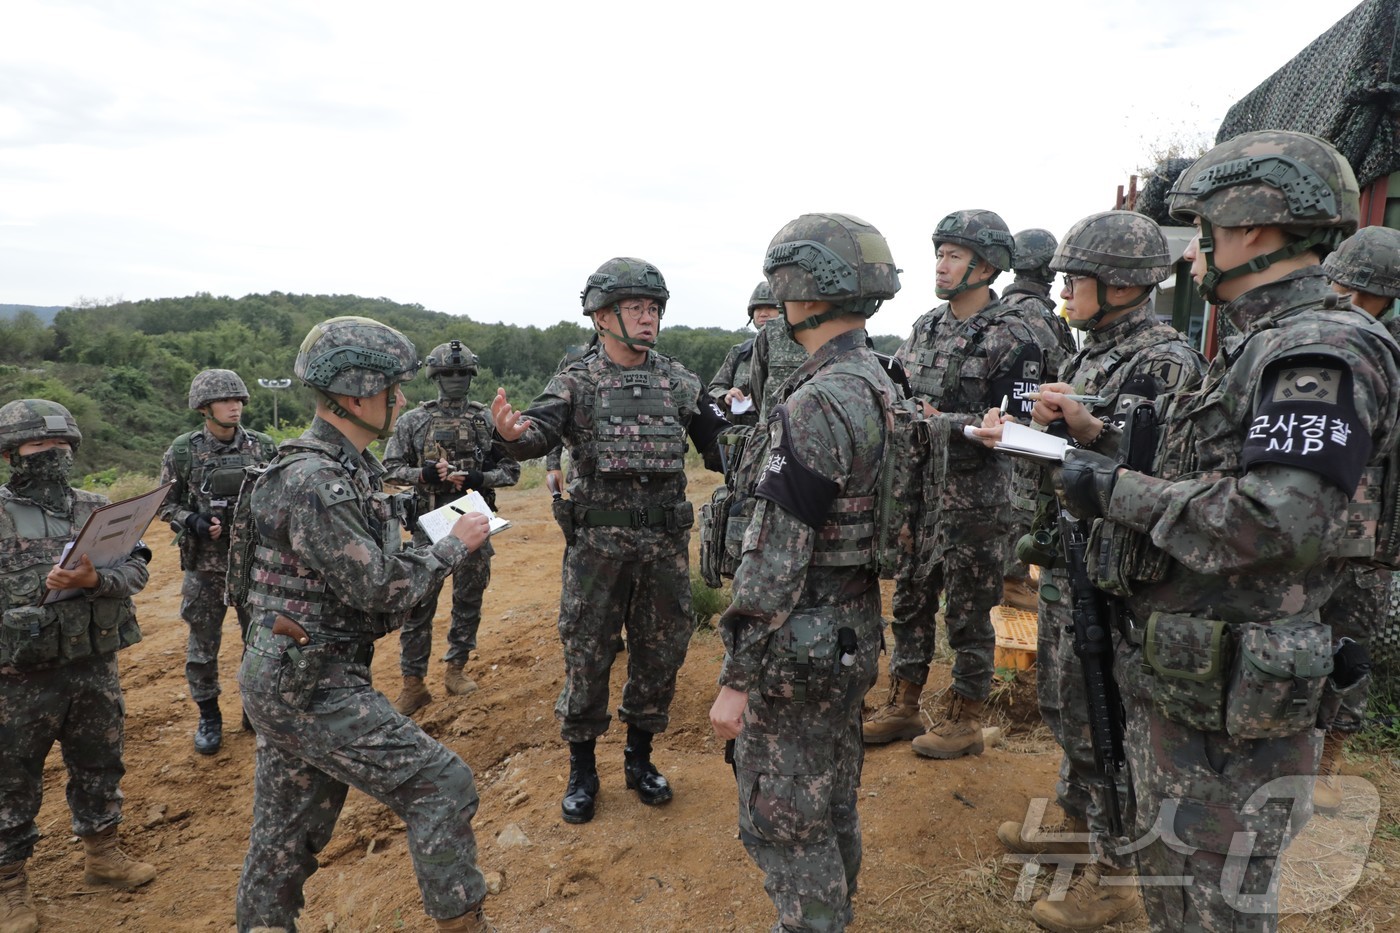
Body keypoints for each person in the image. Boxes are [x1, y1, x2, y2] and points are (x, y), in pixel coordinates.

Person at [1039, 131, 1400, 931]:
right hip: (1195, 682)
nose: (1193, 255)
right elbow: (1205, 467)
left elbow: (1279, 524)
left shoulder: (1322, 350)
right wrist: (1098, 440)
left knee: (1217, 906)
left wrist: (1112, 490)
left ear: (1252, 228)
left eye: (1202, 230)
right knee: (1180, 893)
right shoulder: (1260, 343)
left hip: (1235, 710)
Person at [981, 211, 1206, 931]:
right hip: (1073, 556)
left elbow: (1169, 476)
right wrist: (1021, 434)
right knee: (1064, 702)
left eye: (1076, 279)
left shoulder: (1165, 360)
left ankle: (1116, 873)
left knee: (1105, 717)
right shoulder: (1089, 354)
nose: (1065, 291)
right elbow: (1074, 459)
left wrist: (1086, 431)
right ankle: (1077, 822)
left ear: (1120, 284)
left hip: (1121, 573)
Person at [235, 316, 494, 933]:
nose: (400, 398)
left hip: (291, 675)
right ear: (355, 395)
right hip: (313, 685)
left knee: (283, 841)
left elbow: (364, 541)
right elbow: (383, 590)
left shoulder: (338, 466)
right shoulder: (315, 481)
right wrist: (452, 546)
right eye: (391, 388)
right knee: (441, 784)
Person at [708, 213, 899, 932]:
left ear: (799, 291)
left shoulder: (815, 401)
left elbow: (775, 558)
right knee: (832, 793)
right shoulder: (876, 379)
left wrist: (736, 675)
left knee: (784, 819)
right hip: (852, 626)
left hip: (798, 644)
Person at [490, 257, 728, 825]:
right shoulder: (575, 381)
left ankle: (639, 760)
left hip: (664, 549)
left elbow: (721, 448)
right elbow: (537, 432)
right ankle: (582, 769)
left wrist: (753, 427)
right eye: (636, 309)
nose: (648, 319)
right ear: (601, 317)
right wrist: (512, 437)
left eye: (654, 309)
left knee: (660, 653)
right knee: (588, 653)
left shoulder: (680, 381)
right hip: (597, 550)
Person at [862, 209, 1044, 759]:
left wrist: (942, 419)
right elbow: (900, 405)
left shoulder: (1015, 337)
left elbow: (1014, 426)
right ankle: (904, 704)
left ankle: (965, 716)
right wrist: (947, 420)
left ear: (986, 267)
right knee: (911, 603)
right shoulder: (925, 327)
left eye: (954, 256)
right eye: (939, 254)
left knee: (969, 611)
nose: (940, 266)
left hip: (978, 501)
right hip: (918, 495)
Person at [0, 399, 156, 933]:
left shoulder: (96, 508)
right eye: (40, 446)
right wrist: (34, 589)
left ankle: (103, 854)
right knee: (10, 778)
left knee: (100, 759)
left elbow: (136, 570)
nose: (54, 456)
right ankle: (9, 886)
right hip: (16, 676)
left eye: (63, 446)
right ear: (11, 454)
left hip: (92, 663)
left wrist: (93, 581)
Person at [1312, 224, 1400, 812]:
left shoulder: (1375, 351)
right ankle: (1304, 753)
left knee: (1348, 648)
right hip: (1339, 527)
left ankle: (1326, 764)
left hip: (1369, 534)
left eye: (1341, 282)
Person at [383, 340, 519, 714]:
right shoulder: (414, 420)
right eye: (448, 373)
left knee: (468, 600)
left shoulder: (485, 421)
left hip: (474, 523)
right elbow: (390, 468)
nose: (455, 379)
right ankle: (413, 683)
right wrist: (424, 473)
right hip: (428, 528)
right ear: (434, 376)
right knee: (418, 606)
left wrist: (478, 476)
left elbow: (511, 472)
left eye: (461, 373)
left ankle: (455, 669)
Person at [157, 369, 277, 754]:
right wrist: (189, 520)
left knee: (259, 644)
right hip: (204, 569)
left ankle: (253, 708)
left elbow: (279, 498)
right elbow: (163, 502)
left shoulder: (263, 447)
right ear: (204, 408)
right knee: (202, 648)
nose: (235, 406)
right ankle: (209, 715)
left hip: (252, 565)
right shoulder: (183, 451)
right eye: (226, 401)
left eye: (239, 400)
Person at [1002, 228, 1078, 609]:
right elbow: (1061, 370)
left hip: (1018, 422)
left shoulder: (1009, 308)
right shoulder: (1035, 314)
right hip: (1035, 425)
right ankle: (1012, 582)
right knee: (1025, 507)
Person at [707, 282, 783, 426]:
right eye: (758, 308)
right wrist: (726, 395)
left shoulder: (799, 352)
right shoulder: (740, 352)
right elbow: (713, 390)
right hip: (744, 439)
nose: (763, 313)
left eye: (771, 308)